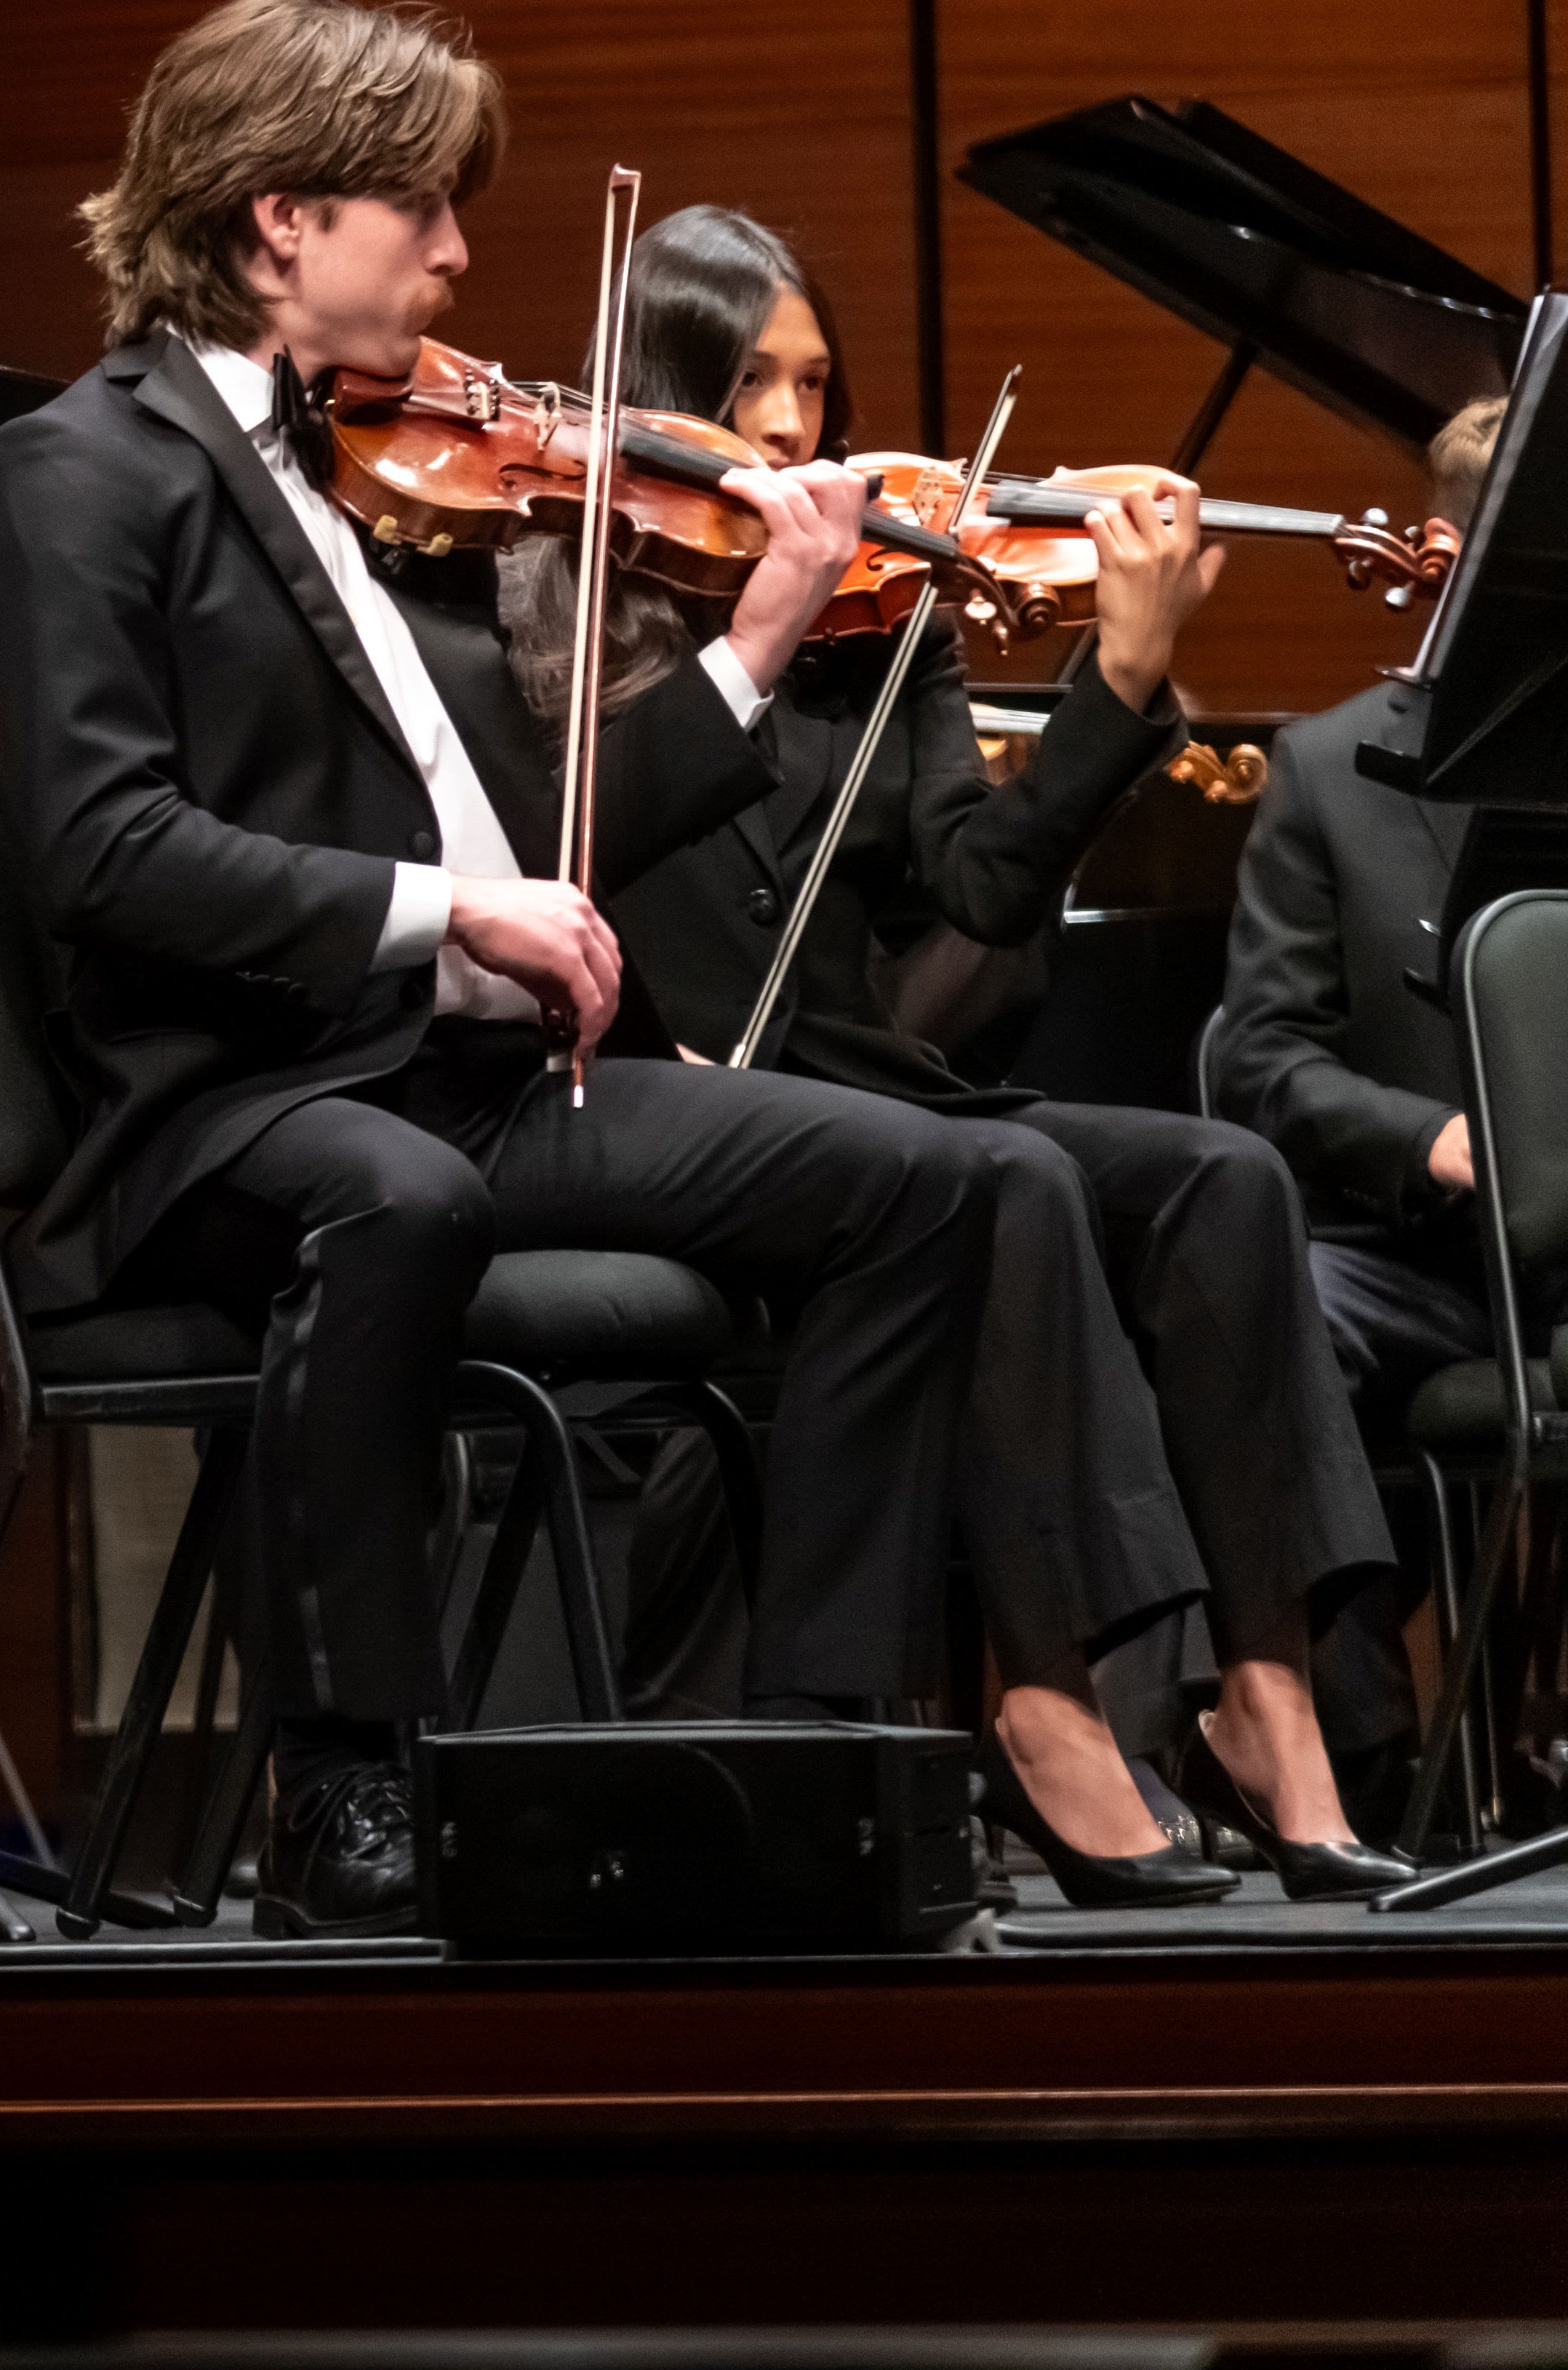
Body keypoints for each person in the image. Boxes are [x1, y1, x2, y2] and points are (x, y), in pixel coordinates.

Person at [0, 0, 997, 1939]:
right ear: (281, 220)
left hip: (456, 1085)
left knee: (918, 1180)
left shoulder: (375, 481)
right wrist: (446, 914)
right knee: (398, 1196)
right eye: (420, 209)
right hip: (229, 1105)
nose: (454, 254)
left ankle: (806, 1747)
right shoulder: (73, 472)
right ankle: (341, 1780)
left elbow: (546, 832)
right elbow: (99, 850)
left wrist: (761, 635)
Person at [583, 207, 1398, 1899]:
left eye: (813, 384)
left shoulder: (889, 618)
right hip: (680, 1118)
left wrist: (1122, 670)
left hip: (875, 1092)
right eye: (745, 386)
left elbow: (980, 886)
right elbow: (572, 837)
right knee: (1006, 1172)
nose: (792, 429)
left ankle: (1265, 1696)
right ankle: (1047, 1701)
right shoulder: (582, 602)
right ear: (661, 393)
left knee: (1221, 1177)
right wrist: (752, 628)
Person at [1210, 391, 1508, 1791]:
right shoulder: (1327, 770)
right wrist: (1431, 1139)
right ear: (1454, 555)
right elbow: (1264, 1057)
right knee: (1282, 1301)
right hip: (1423, 1258)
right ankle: (1367, 1752)